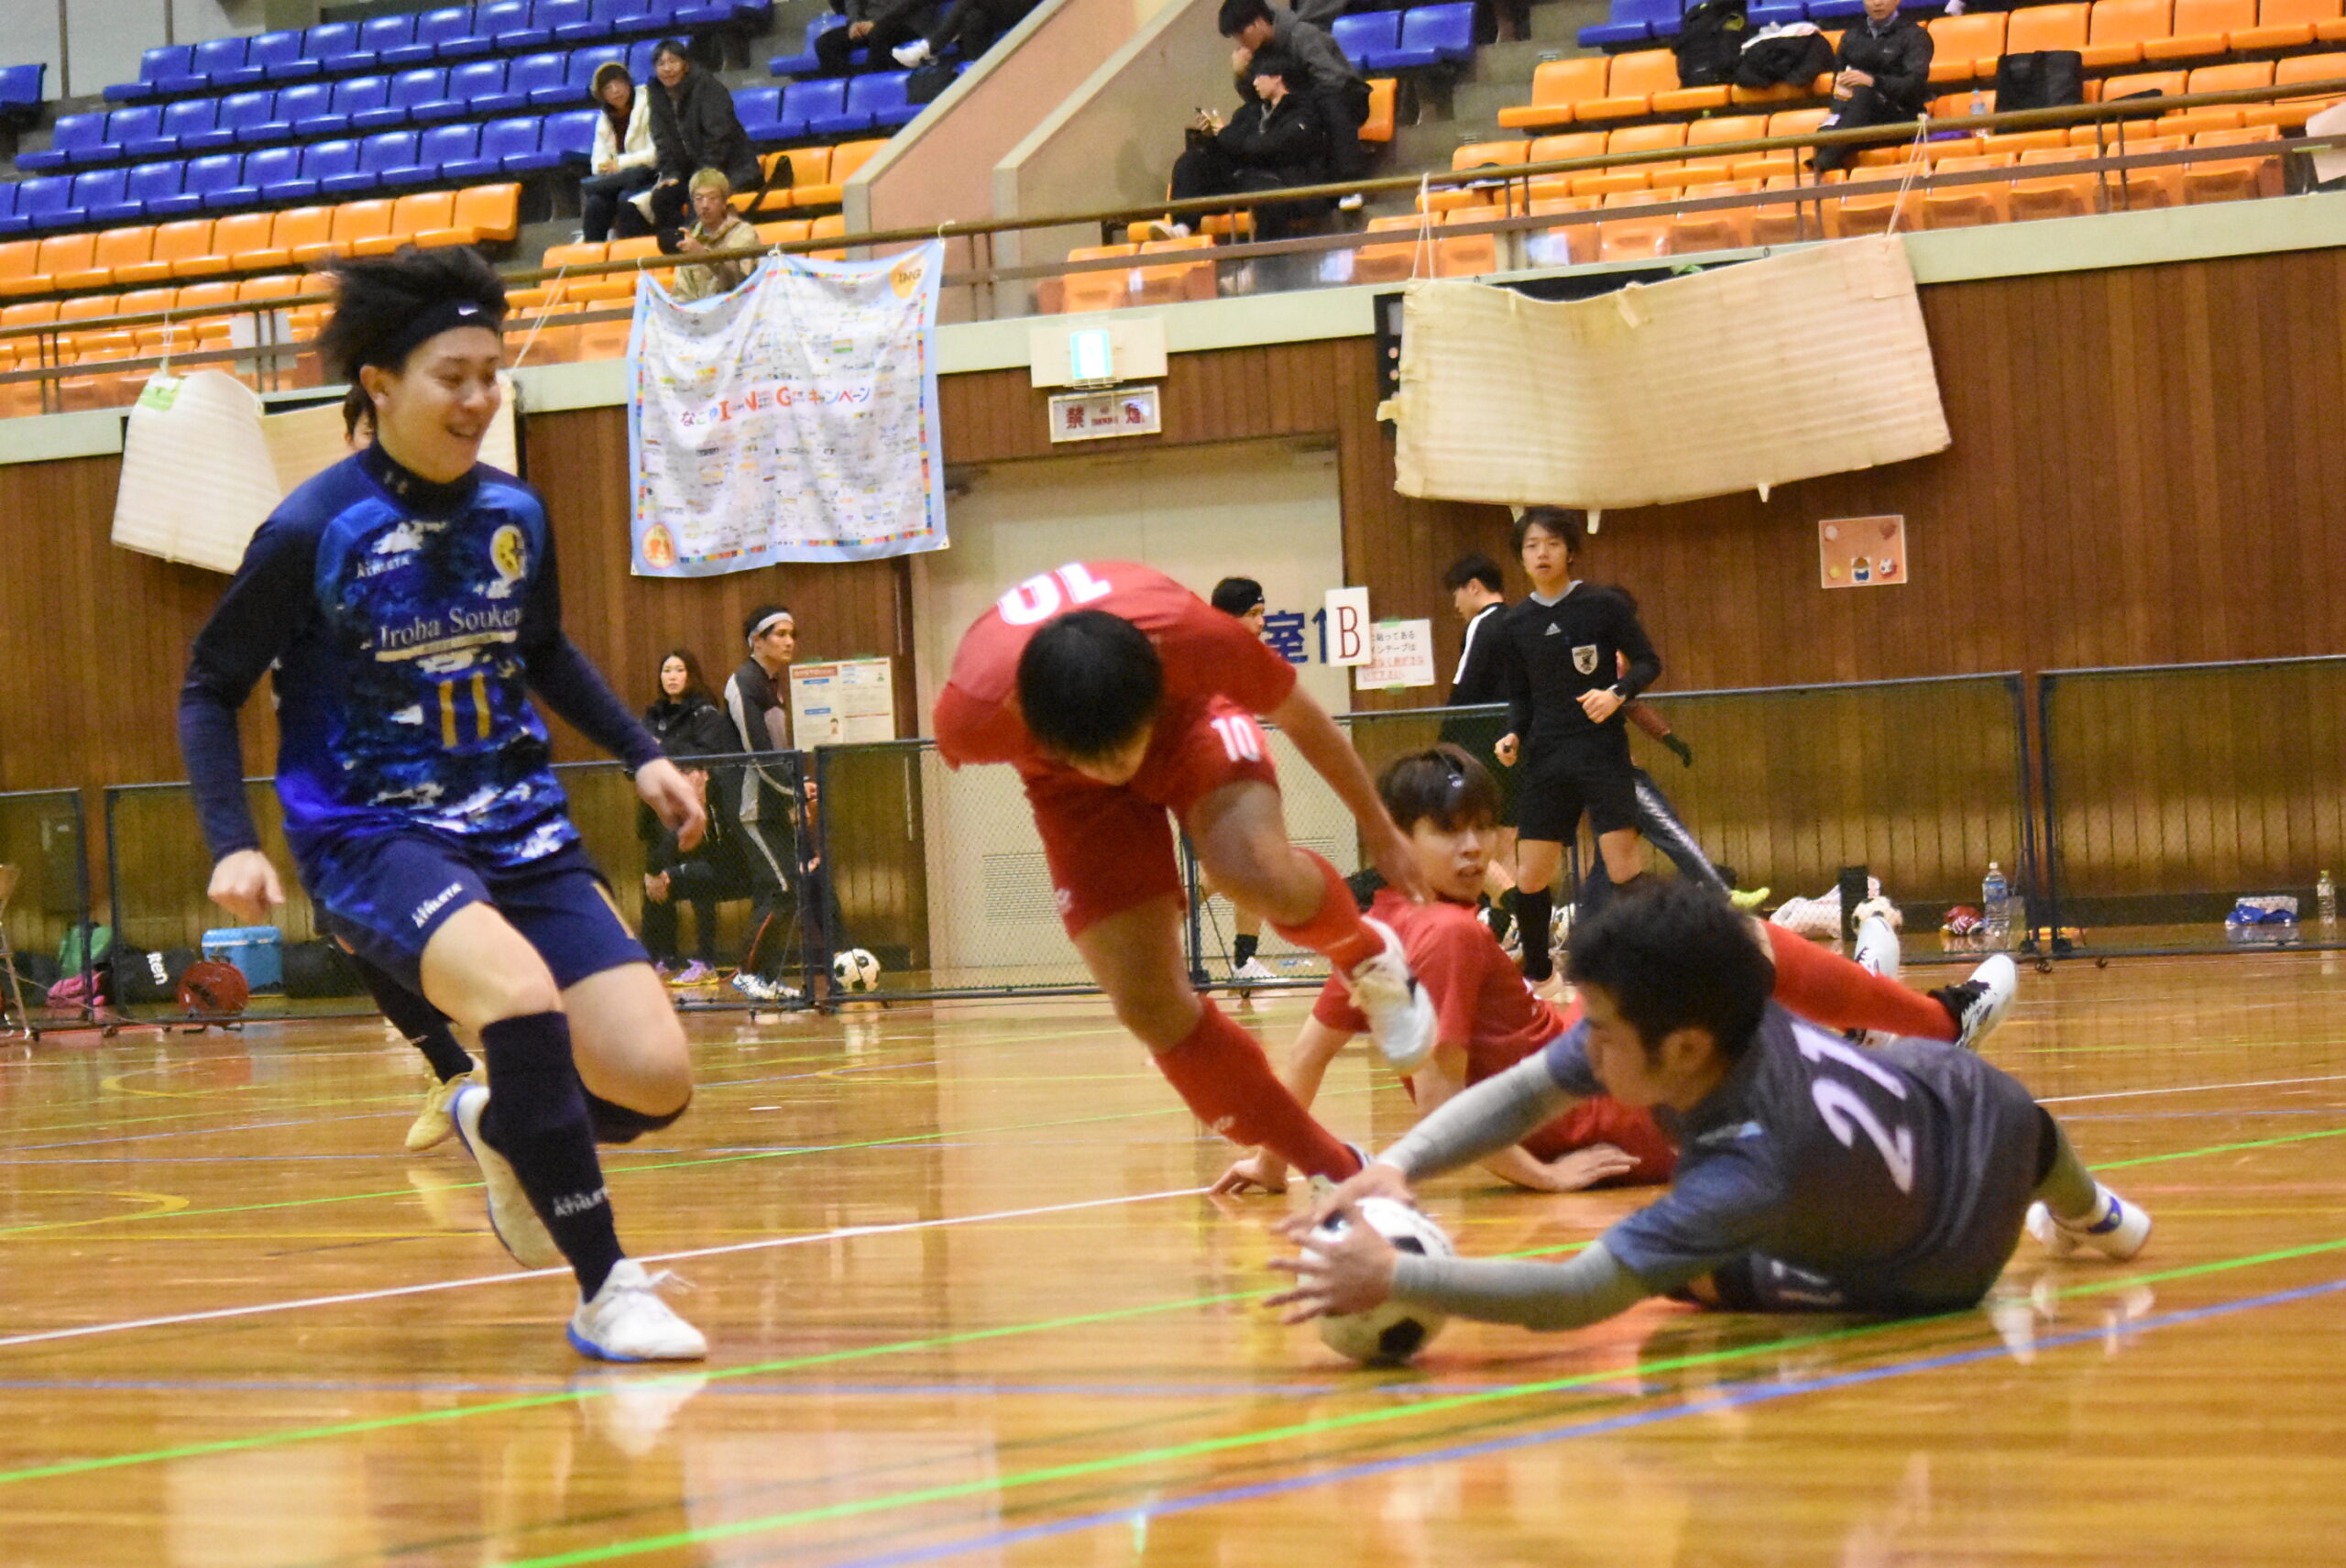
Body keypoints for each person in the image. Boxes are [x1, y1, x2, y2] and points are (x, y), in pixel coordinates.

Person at [177, 246, 706, 1361]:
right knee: (516, 995)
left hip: (519, 821)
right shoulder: (312, 529)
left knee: (654, 1079)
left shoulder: (515, 511)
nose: (477, 399)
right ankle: (606, 1286)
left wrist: (639, 754)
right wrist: (231, 840)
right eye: (451, 376)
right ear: (379, 385)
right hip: (373, 832)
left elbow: (544, 650)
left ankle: (500, 1122)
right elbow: (209, 686)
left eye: (490, 374)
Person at [1273, 881, 2149, 1336]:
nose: (1584, 1042)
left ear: (1685, 1049)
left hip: (1943, 1267)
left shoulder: (1748, 1164)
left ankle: (2092, 1213)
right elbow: (1529, 1087)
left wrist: (1401, 1277)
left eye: (1600, 1027)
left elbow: (1578, 1291)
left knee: (1670, 1272)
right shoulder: (1701, 1016)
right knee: (1987, 1104)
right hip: (1986, 1112)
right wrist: (1401, 1163)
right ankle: (2099, 1213)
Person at [1213, 746, 2020, 1198]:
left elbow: (1306, 1057)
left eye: (1483, 828)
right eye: (1447, 831)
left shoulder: (1375, 928)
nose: (1473, 848)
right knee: (1738, 958)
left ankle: (1878, 1020)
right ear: (1395, 838)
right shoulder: (1446, 936)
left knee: (1725, 942)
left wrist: (1271, 1160)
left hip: (1586, 1046)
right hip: (1619, 1106)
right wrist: (1542, 1175)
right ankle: (1922, 1026)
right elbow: (1439, 1107)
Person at [934, 559, 1442, 1184]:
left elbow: (1300, 715)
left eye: (1126, 752)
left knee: (1251, 872)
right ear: (1021, 711)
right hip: (1064, 783)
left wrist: (1381, 830)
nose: (1119, 771)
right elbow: (1085, 759)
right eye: (1102, 760)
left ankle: (1366, 955)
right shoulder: (970, 716)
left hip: (1185, 723)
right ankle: (1337, 1172)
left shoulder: (1193, 638)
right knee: (1149, 1006)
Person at [1489, 507, 1658, 988]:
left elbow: (1648, 662)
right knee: (1530, 875)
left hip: (1602, 753)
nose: (1541, 554)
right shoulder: (1514, 624)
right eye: (1531, 546)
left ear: (1570, 552)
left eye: (1552, 544)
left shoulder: (1602, 605)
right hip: (1547, 758)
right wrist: (1513, 734)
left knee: (1623, 867)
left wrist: (1617, 694)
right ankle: (1539, 974)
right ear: (1521, 556)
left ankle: (1640, 968)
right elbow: (1520, 698)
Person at [722, 603, 806, 1003]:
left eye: (792, 635)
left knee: (789, 889)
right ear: (757, 640)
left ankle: (768, 979)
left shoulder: (771, 685)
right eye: (780, 634)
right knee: (780, 887)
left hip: (772, 803)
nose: (789, 642)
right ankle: (747, 975)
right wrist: (793, 792)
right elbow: (758, 752)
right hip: (751, 805)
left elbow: (780, 750)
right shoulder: (743, 682)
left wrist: (797, 788)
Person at [1168, 50, 1333, 247]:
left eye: (1259, 77)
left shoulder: (1302, 113)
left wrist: (1225, 133)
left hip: (1280, 181)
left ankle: (1267, 260)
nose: (1254, 83)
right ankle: (1182, 228)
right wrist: (1211, 137)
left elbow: (1269, 146)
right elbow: (1231, 147)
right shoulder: (1249, 113)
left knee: (1266, 196)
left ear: (1277, 77)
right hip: (1242, 178)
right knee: (1191, 161)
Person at [1439, 552, 1518, 933]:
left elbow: (1465, 688)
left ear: (1473, 587)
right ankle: (1511, 925)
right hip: (1519, 743)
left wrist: (1443, 747)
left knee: (1473, 841)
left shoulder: (1482, 624)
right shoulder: (1520, 621)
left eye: (1456, 593)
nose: (1455, 604)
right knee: (1508, 839)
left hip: (1482, 747)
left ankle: (1513, 914)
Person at [1208, 576, 1277, 990]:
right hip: (1217, 782)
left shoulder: (1247, 658)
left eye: (1263, 613)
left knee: (1252, 869)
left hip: (1244, 780)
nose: (1261, 622)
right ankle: (1151, 936)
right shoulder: (1210, 660)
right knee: (1226, 875)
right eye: (1253, 614)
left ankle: (1244, 961)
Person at [1219, 0, 1369, 181]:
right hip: (1297, 107)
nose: (1240, 41)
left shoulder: (1302, 35)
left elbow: (1333, 80)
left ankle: (1350, 181)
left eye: (1241, 34)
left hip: (1345, 97)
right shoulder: (1257, 50)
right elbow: (1255, 98)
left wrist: (1297, 103)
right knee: (1249, 114)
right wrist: (1241, 74)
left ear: (1257, 22)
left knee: (1330, 103)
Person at [642, 751, 756, 985]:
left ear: (705, 775)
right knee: (661, 883)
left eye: (688, 773)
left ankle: (709, 963)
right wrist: (653, 874)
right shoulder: (684, 804)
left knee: (697, 879)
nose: (683, 780)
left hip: (748, 871)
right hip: (715, 872)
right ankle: (661, 960)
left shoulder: (726, 794)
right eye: (678, 775)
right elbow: (670, 841)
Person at [644, 39, 762, 246]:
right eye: (661, 64)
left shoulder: (708, 87)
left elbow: (720, 137)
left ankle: (697, 249)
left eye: (673, 61)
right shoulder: (657, 95)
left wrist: (701, 176)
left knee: (700, 197)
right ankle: (673, 250)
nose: (667, 68)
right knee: (662, 198)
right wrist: (671, 173)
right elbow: (661, 140)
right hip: (690, 173)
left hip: (729, 168)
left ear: (685, 64)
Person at [1810, 0, 1934, 173]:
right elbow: (1839, 85)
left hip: (1900, 115)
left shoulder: (1915, 36)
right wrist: (1835, 113)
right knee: (1825, 131)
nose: (1877, 3)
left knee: (1863, 91)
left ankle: (1826, 160)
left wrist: (1874, 82)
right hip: (1857, 117)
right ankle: (1829, 162)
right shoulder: (1851, 37)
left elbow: (1915, 85)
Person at [580, 60, 656, 244]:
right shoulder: (605, 118)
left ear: (629, 83)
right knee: (596, 203)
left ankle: (633, 256)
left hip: (651, 175)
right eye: (608, 88)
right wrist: (605, 166)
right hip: (621, 180)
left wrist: (620, 164)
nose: (616, 91)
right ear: (601, 95)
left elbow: (656, 154)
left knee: (626, 200)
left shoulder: (650, 105)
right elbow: (598, 161)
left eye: (619, 83)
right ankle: (592, 257)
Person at [669, 169, 765, 302]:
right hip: (699, 313)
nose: (705, 205)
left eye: (712, 198)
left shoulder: (743, 233)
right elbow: (681, 293)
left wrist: (704, 255)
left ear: (724, 201)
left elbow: (740, 281)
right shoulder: (690, 240)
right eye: (699, 198)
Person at [817, 0, 942, 75]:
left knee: (878, 35)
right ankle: (848, 93)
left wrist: (877, 22)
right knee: (825, 43)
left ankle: (872, 89)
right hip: (871, 22)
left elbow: (909, 4)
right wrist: (854, 22)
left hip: (909, 20)